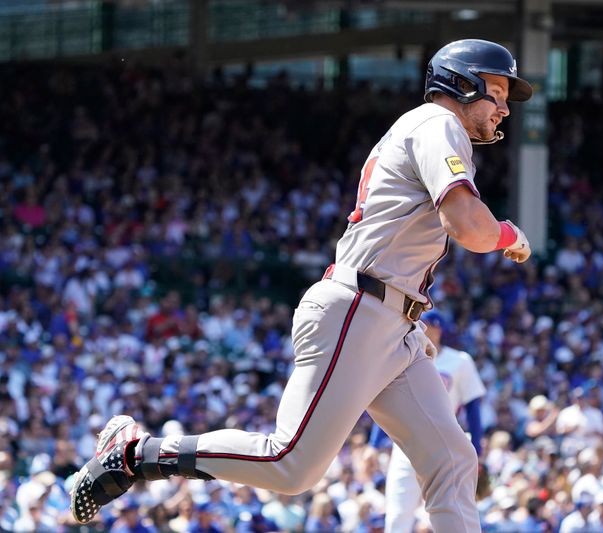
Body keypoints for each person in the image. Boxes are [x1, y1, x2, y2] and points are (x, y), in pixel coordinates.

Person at [69, 38, 533, 533]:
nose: (504, 107)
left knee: (453, 461)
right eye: (496, 90)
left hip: (392, 323)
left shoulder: (433, 129)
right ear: (460, 84)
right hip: (360, 307)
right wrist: (509, 234)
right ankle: (136, 454)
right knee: (290, 465)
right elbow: (469, 226)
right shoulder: (438, 123)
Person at [370, 310, 486, 533]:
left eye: (427, 324)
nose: (421, 327)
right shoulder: (403, 355)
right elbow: (388, 401)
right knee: (396, 517)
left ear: (438, 329)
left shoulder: (459, 361)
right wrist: (374, 445)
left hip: (442, 445)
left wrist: (477, 448)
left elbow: (473, 406)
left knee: (443, 516)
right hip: (405, 445)